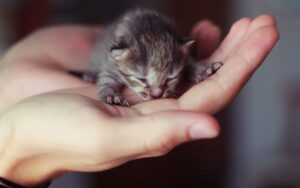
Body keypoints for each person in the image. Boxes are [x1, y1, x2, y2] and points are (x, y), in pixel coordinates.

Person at [0, 15, 279, 187]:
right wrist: (107, 91)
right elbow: (108, 80)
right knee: (101, 73)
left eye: (167, 81)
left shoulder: (177, 51)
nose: (155, 94)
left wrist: (195, 71)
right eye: (143, 82)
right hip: (111, 52)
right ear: (120, 57)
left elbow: (187, 61)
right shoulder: (119, 54)